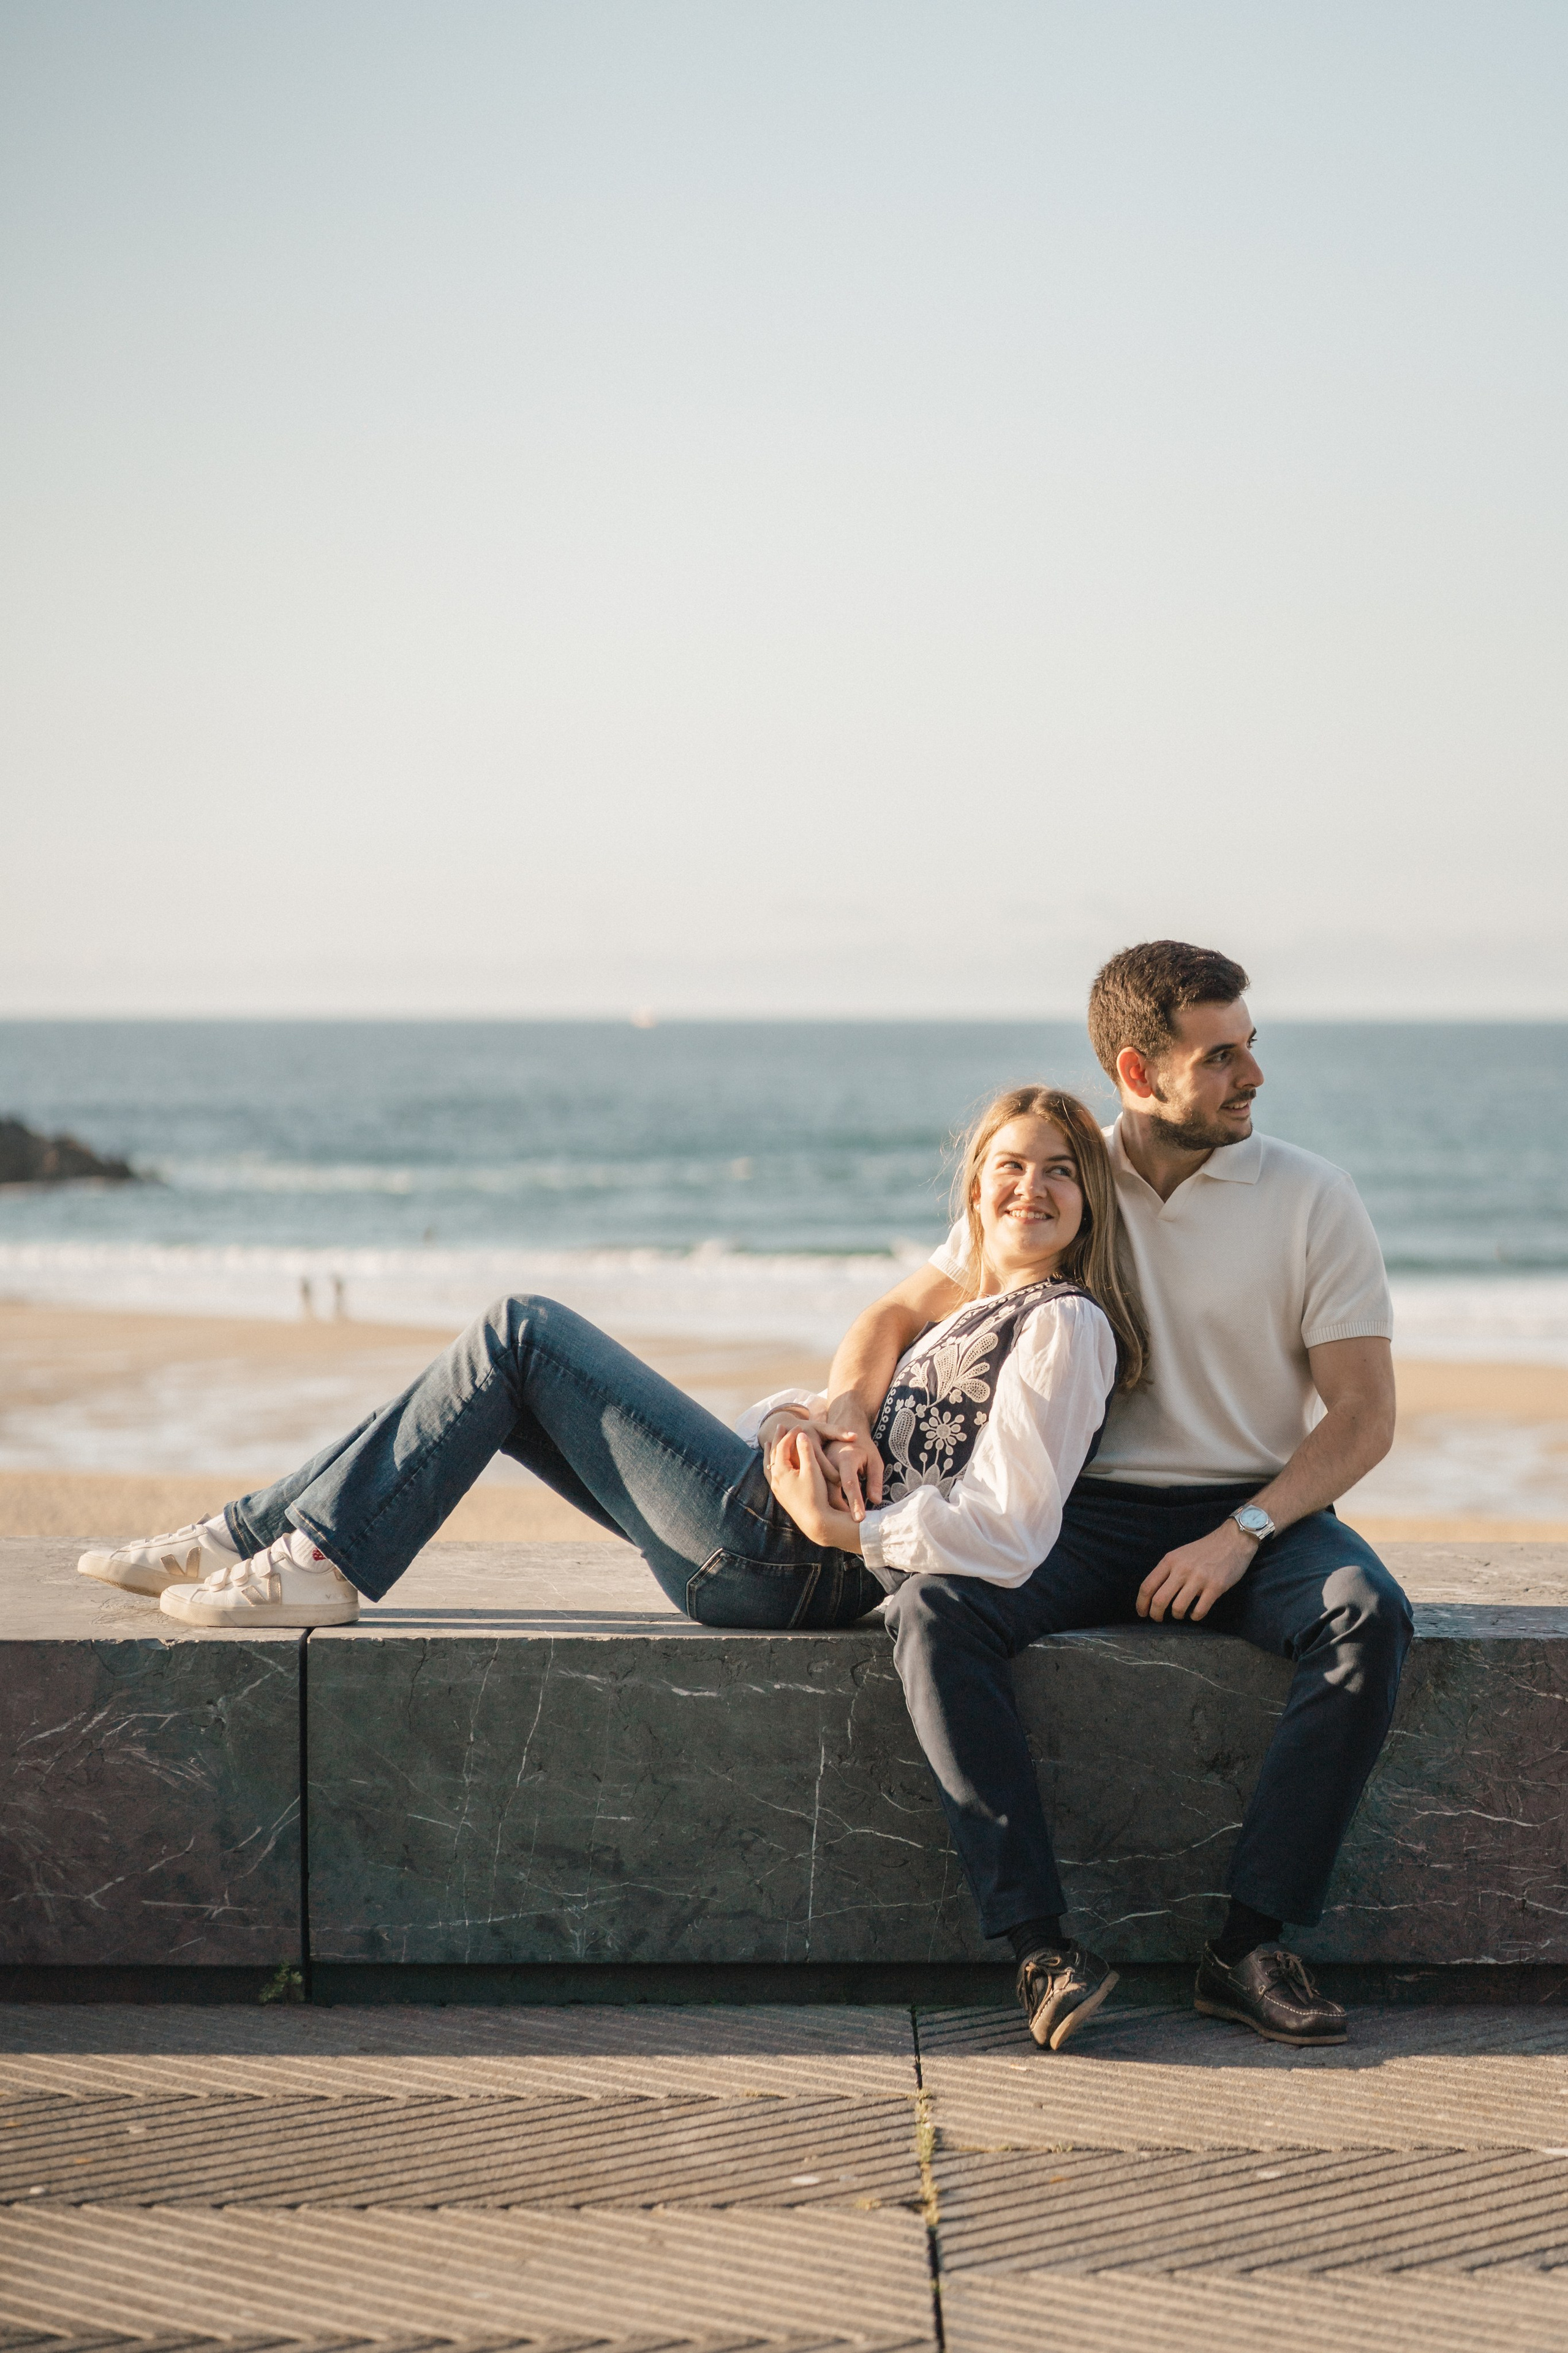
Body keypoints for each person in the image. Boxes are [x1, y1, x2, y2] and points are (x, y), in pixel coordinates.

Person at [80, 1086, 1144, 2053]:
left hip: (791, 1567)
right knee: (493, 1381)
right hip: (772, 1536)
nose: (1031, 1186)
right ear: (976, 1187)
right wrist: (798, 1426)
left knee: (520, 1332)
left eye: (1058, 1169)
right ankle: (254, 1534)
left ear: (1089, 1200)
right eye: (1011, 1164)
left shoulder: (1066, 1326)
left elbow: (1010, 1528)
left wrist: (848, 1538)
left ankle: (305, 1556)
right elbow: (824, 1411)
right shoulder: (959, 1307)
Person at [816, 939, 1409, 2052]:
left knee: (1366, 1613)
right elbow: (898, 1314)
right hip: (1074, 1514)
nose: (1254, 1075)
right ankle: (1043, 1946)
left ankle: (1250, 1945)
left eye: (1251, 1047)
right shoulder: (1067, 1180)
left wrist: (1241, 1535)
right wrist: (848, 1400)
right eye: (1222, 1056)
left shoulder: (1313, 1198)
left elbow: (1364, 1418)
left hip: (1257, 1507)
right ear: (1138, 1074)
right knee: (934, 1610)